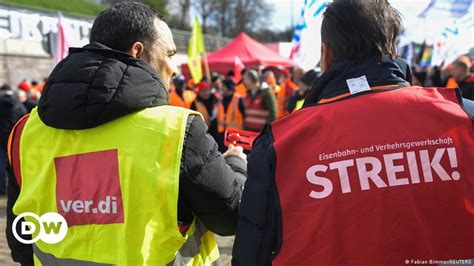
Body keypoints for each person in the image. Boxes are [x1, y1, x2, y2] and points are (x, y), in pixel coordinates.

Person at [232, 0, 474, 265]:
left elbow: (251, 253)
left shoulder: (281, 144)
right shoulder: (464, 117)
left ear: (325, 54)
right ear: (392, 49)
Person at [6, 3, 247, 265]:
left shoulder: (24, 131)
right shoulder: (178, 130)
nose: (174, 68)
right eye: (169, 54)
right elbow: (230, 217)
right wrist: (236, 163)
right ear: (138, 52)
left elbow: (21, 241)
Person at [0, 85, 27, 195]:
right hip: (15, 139)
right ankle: (16, 187)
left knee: (1, 163)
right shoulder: (19, 105)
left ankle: (1, 187)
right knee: (15, 165)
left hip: (0, 138)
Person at [216, 79, 245, 152]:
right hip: (222, 133)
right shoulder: (221, 99)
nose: (221, 88)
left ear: (228, 87)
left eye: (223, 86)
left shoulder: (238, 99)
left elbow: (244, 115)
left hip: (235, 134)